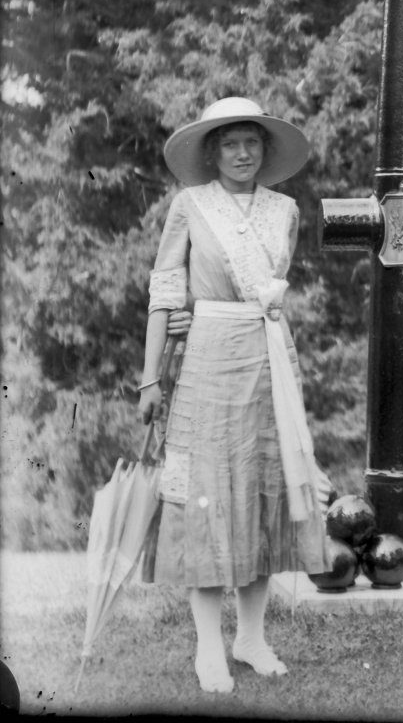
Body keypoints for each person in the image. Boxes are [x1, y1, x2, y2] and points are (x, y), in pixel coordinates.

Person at [139, 96, 330, 694]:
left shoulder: (285, 210)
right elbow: (167, 294)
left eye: (252, 142)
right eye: (230, 144)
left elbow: (270, 293)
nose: (243, 153)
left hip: (270, 353)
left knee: (262, 488)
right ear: (211, 153)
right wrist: (150, 377)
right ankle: (208, 647)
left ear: (265, 150)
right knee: (208, 492)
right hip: (209, 360)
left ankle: (251, 637)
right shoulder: (190, 206)